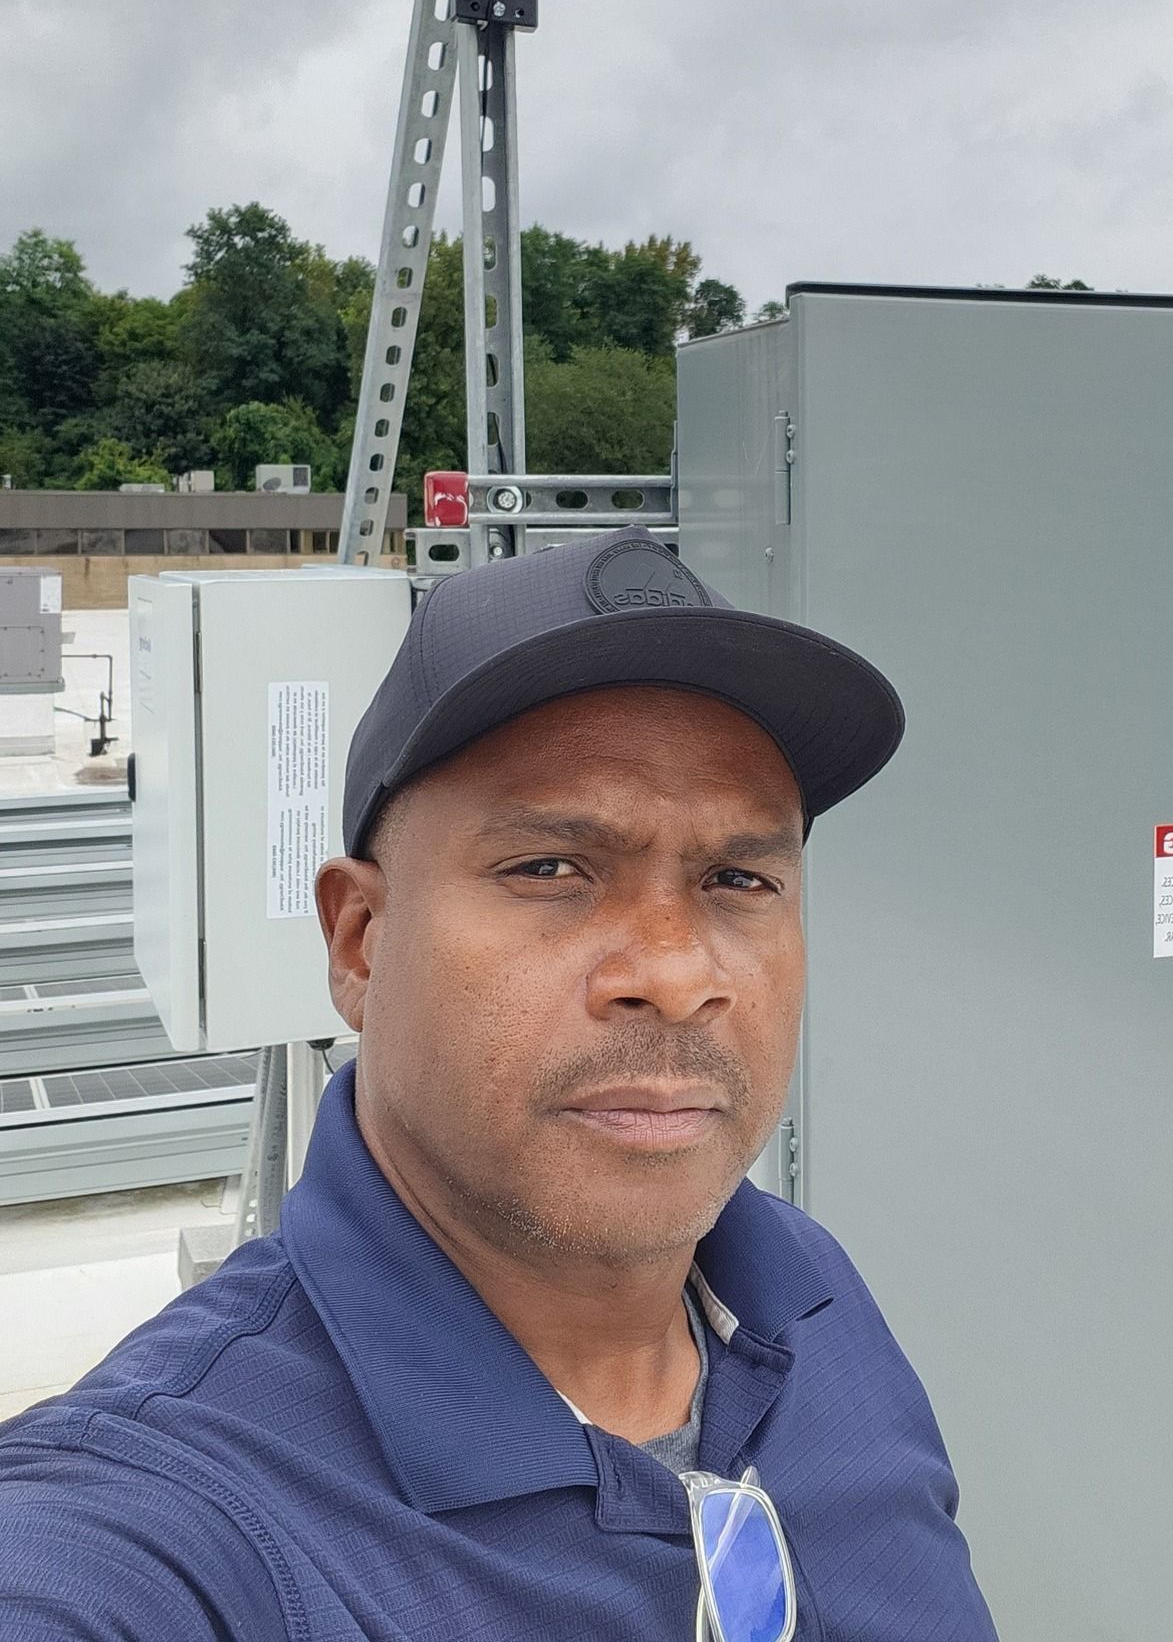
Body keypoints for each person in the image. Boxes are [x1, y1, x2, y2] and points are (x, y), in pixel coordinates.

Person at [0, 528, 999, 1640]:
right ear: (362, 941)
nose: (673, 974)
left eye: (736, 876)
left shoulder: (804, 1297)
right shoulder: (177, 1519)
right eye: (550, 868)